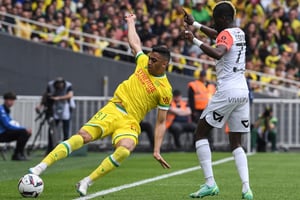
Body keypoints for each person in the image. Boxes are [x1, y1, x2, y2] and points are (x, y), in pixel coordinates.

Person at [29, 13, 172, 196]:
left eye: (154, 60)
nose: (149, 62)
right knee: (83, 136)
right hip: (114, 108)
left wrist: (157, 149)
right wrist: (131, 22)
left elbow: (161, 122)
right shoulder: (143, 62)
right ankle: (40, 167)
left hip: (131, 121)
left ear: (164, 64)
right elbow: (135, 43)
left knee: (125, 149)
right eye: (150, 58)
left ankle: (87, 182)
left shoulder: (165, 90)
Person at [181, 1, 253, 200]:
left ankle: (210, 183)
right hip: (242, 92)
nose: (213, 23)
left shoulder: (225, 35)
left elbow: (218, 51)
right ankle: (246, 188)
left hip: (227, 91)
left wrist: (194, 40)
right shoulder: (239, 32)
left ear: (222, 19)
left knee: (200, 133)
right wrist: (195, 25)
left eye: (215, 19)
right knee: (236, 142)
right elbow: (218, 36)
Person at [36, 77, 75, 154]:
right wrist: (40, 105)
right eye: (58, 84)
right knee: (52, 128)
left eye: (61, 84)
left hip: (65, 107)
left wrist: (58, 98)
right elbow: (45, 95)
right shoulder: (50, 85)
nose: (60, 86)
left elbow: (70, 95)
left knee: (66, 130)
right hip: (54, 108)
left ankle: (66, 149)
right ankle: (50, 148)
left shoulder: (68, 85)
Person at [187, 70, 216, 150]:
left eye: (204, 76)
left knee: (209, 128)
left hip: (208, 110)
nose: (203, 77)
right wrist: (193, 112)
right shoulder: (194, 85)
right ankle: (195, 145)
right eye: (202, 76)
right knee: (198, 129)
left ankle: (210, 145)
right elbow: (191, 100)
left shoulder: (211, 86)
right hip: (198, 111)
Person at [0, 92, 32, 161]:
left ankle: (20, 153)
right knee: (23, 132)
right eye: (10, 100)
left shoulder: (6, 110)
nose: (12, 102)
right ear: (5, 100)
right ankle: (17, 155)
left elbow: (11, 123)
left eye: (13, 100)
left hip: (4, 132)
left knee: (26, 132)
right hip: (1, 134)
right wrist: (23, 128)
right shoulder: (1, 110)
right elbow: (7, 125)